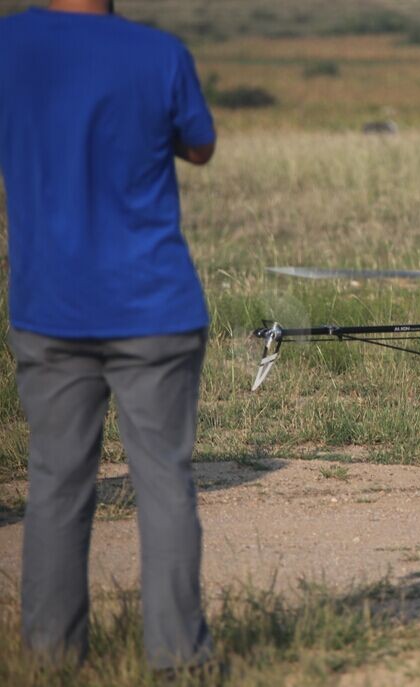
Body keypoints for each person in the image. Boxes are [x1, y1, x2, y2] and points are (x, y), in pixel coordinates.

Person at [0, 0, 216, 670]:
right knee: (164, 480)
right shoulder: (159, 54)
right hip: (154, 304)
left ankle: (49, 657)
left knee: (57, 482)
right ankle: (179, 657)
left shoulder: (9, 44)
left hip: (49, 305)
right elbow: (200, 145)